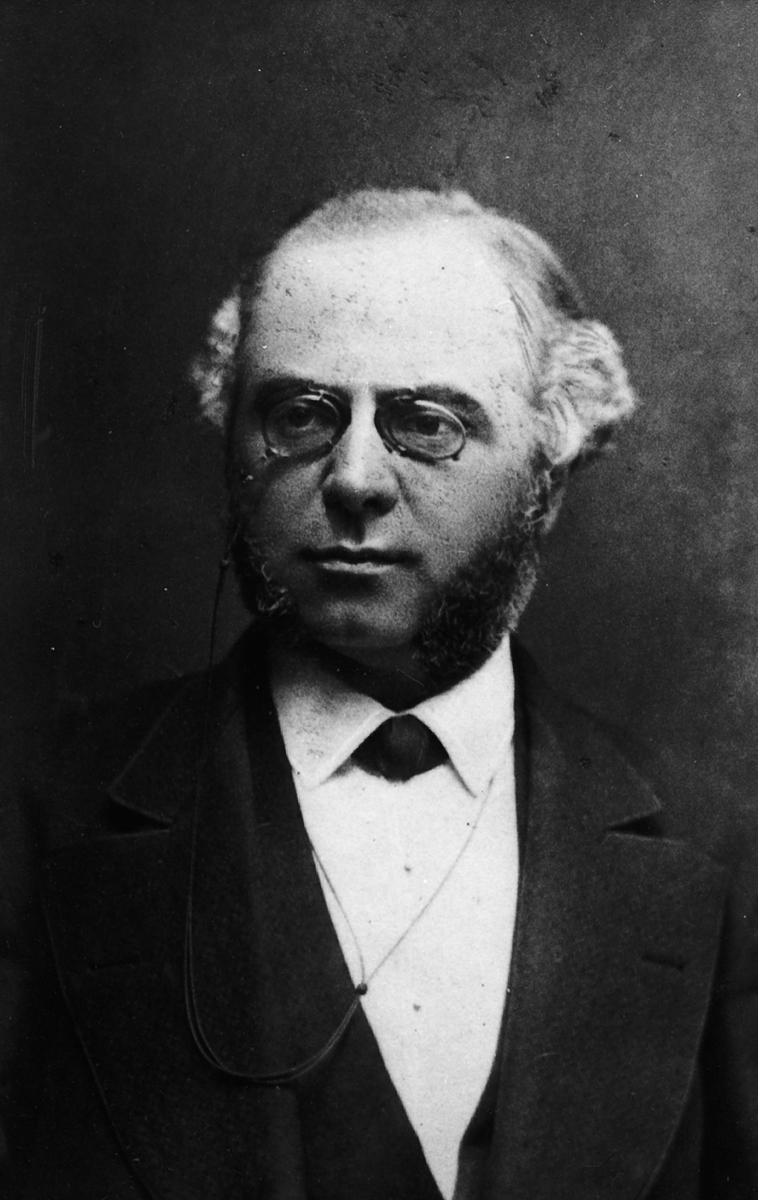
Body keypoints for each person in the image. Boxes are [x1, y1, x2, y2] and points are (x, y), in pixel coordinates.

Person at [2, 188, 757, 1198]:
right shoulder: (38, 814)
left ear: (549, 465)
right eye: (300, 416)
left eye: (426, 423)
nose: (353, 477)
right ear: (232, 441)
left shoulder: (715, 849)